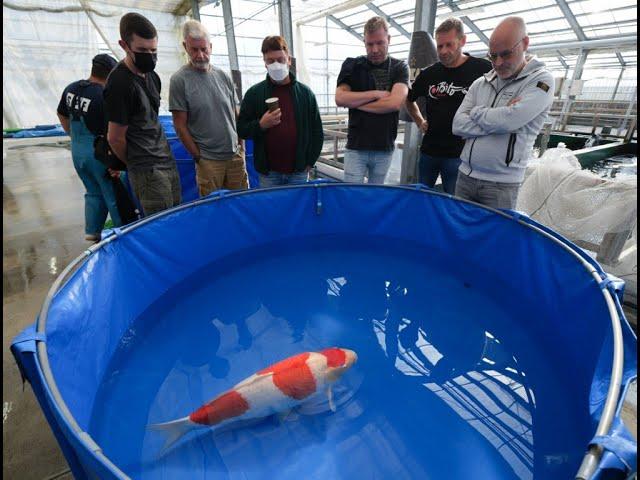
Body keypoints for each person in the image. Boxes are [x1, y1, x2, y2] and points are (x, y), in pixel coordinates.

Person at [452, 16, 554, 209]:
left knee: (495, 237)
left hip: (501, 185)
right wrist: (501, 119)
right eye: (492, 56)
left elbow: (509, 121)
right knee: (459, 231)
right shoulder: (481, 83)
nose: (498, 63)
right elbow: (457, 125)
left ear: (525, 43)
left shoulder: (541, 81)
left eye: (506, 54)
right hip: (464, 176)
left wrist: (477, 112)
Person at [104, 12, 181, 216]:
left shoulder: (152, 76)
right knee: (161, 224)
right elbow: (115, 137)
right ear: (124, 45)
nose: (149, 55)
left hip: (165, 159)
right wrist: (136, 164)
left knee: (175, 214)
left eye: (153, 50)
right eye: (142, 50)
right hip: (147, 168)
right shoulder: (120, 83)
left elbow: (151, 119)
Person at [405, 18, 492, 194]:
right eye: (440, 46)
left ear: (463, 41)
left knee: (454, 200)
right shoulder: (429, 73)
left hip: (460, 155)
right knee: (423, 195)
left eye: (449, 45)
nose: (444, 51)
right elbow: (409, 99)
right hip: (429, 151)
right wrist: (420, 121)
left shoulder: (482, 69)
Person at [169, 20, 248, 195]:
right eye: (194, 49)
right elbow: (180, 125)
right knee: (213, 209)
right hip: (209, 162)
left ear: (210, 47)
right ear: (185, 46)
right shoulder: (180, 80)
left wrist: (241, 147)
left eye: (204, 49)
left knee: (241, 204)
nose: (200, 55)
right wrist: (198, 157)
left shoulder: (223, 77)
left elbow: (236, 114)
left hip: (235, 157)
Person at [237, 36, 323, 187]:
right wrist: (261, 125)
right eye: (270, 61)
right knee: (271, 210)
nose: (276, 65)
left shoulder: (305, 94)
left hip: (298, 171)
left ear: (289, 60)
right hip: (269, 173)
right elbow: (241, 130)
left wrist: (310, 162)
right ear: (265, 63)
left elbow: (317, 131)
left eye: (280, 59)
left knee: (297, 209)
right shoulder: (254, 94)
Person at [335, 16, 409, 184]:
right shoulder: (352, 65)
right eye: (370, 44)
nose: (375, 49)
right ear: (364, 42)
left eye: (380, 43)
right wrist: (375, 94)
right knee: (352, 196)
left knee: (378, 198)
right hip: (356, 147)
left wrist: (355, 103)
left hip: (384, 148)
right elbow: (340, 98)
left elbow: (394, 103)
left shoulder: (400, 67)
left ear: (388, 39)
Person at [57, 54, 122, 242]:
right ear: (110, 74)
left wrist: (74, 137)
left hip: (78, 152)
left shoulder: (71, 89)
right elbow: (112, 133)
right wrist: (116, 161)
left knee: (92, 192)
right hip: (98, 154)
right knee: (113, 194)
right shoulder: (102, 96)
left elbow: (61, 114)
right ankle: (123, 234)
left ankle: (92, 232)